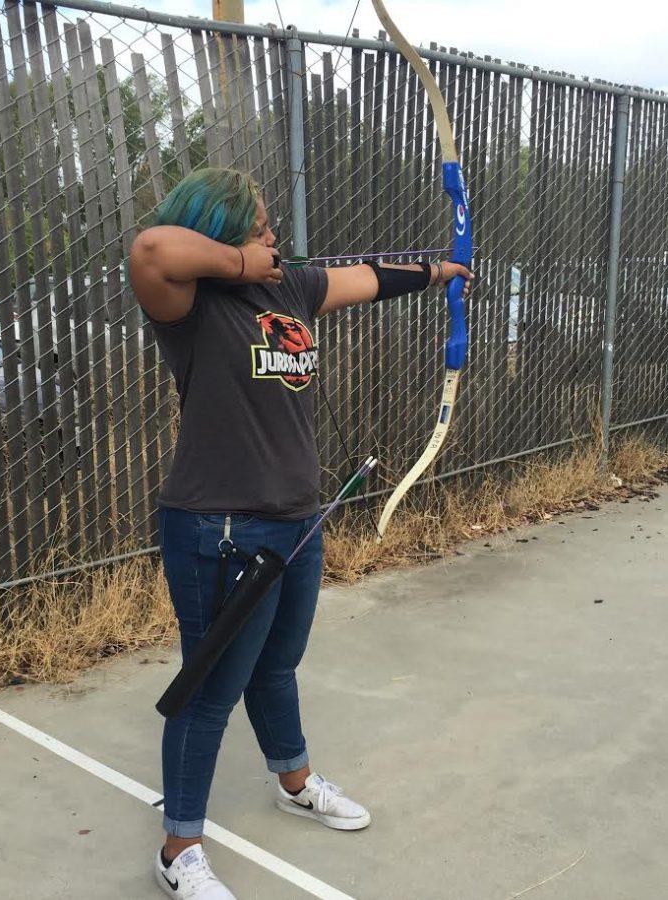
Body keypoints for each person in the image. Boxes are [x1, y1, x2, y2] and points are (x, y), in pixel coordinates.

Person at [129, 167, 472, 900]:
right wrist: (236, 262)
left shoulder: (290, 289)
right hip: (219, 524)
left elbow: (369, 280)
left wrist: (442, 269)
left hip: (295, 518)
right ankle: (179, 848)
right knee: (208, 689)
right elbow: (153, 248)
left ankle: (293, 780)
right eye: (258, 224)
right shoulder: (188, 305)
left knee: (276, 666)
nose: (273, 235)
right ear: (222, 231)